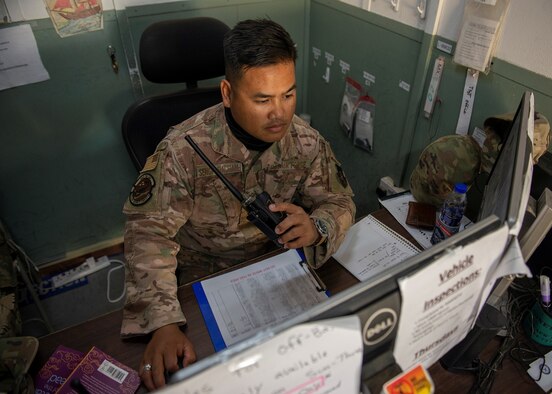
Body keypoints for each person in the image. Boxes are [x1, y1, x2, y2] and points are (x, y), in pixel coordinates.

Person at [121, 18, 356, 391]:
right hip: (202, 280)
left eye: (288, 94)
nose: (280, 113)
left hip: (276, 271)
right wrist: (164, 322)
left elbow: (338, 199)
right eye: (262, 99)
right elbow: (148, 234)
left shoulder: (306, 142)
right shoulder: (182, 150)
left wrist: (319, 226)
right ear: (228, 93)